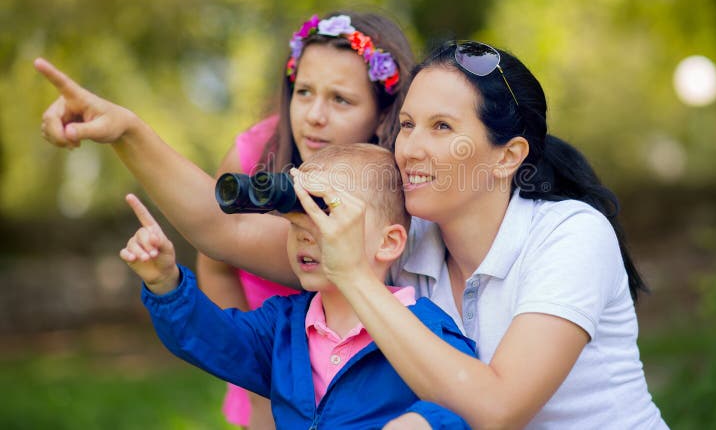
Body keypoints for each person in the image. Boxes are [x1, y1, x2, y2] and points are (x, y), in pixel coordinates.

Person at [36, 10, 416, 429]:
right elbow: (219, 243)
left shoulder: (404, 189)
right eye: (303, 92)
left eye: (341, 99)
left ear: (384, 115)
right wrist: (258, 381)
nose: (314, 116)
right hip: (276, 358)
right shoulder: (259, 153)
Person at [288, 41, 668, 429]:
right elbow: (237, 235)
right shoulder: (403, 240)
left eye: (441, 127)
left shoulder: (571, 234)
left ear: (507, 156)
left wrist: (353, 275)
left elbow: (498, 409)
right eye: (407, 125)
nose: (410, 149)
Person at [120, 143, 475, 429]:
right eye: (296, 221)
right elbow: (213, 340)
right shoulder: (284, 327)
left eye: (325, 215)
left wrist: (425, 421)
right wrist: (165, 283)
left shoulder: (420, 328)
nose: (305, 234)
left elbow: (467, 400)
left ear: (389, 243)